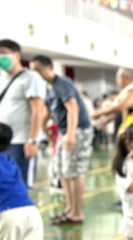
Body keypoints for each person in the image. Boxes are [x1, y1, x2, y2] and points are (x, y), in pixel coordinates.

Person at [30, 56, 94, 225]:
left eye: (38, 70)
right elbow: (48, 111)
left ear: (48, 68)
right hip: (63, 132)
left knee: (74, 171)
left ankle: (77, 213)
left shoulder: (62, 83)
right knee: (62, 171)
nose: (35, 74)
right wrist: (42, 130)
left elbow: (73, 108)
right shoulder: (48, 87)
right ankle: (69, 208)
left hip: (77, 130)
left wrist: (71, 134)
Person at [0, 40, 47, 188]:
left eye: (3, 53)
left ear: (17, 55)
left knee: (19, 186)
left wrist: (33, 140)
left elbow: (38, 110)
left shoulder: (31, 78)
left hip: (21, 141)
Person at [92, 69, 133, 136]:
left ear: (127, 78)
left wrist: (99, 112)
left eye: (119, 77)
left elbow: (120, 107)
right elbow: (121, 112)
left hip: (130, 133)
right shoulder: (127, 92)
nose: (117, 80)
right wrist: (107, 119)